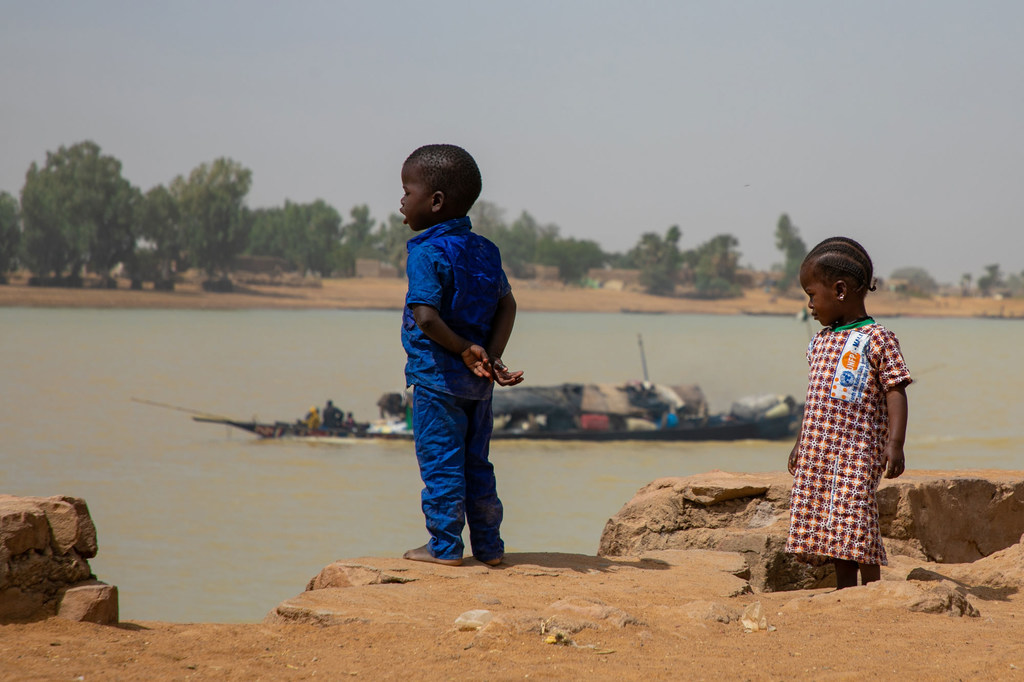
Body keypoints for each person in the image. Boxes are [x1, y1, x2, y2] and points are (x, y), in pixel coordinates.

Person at [399, 143, 524, 568]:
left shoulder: (426, 251)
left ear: (435, 202)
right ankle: (489, 547)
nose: (401, 200)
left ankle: (444, 547)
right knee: (477, 465)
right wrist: (491, 356)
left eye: (406, 190)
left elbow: (426, 318)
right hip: (479, 386)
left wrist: (464, 350)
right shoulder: (485, 250)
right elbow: (508, 305)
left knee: (441, 464)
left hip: (437, 382)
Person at [785, 237, 912, 589]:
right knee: (833, 524)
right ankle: (845, 591)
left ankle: (872, 588)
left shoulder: (878, 338)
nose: (809, 305)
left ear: (839, 290)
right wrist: (800, 442)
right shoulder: (819, 342)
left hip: (857, 450)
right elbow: (815, 399)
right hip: (820, 449)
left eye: (811, 294)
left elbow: (895, 389)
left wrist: (896, 444)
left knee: (855, 515)